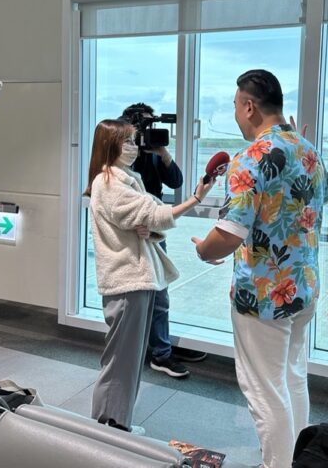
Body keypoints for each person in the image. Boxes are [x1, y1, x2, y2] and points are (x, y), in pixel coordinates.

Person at [193, 69, 327, 468]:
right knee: (292, 378)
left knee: (265, 392)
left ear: (249, 107)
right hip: (303, 288)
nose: (236, 114)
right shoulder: (308, 150)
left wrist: (204, 250)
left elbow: (230, 233)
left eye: (236, 106)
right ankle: (295, 460)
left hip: (264, 297)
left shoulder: (251, 157)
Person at [85, 119, 214, 433]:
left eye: (134, 141)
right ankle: (110, 424)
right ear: (110, 145)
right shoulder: (111, 182)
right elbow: (156, 213)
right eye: (126, 142)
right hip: (128, 280)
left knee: (126, 359)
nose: (133, 147)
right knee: (121, 360)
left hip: (134, 279)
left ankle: (115, 421)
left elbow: (147, 219)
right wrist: (196, 198)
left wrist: (149, 228)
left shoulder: (125, 178)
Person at [121, 103, 207, 379]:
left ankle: (160, 346)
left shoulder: (155, 153)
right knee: (148, 296)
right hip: (136, 232)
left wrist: (162, 152)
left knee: (160, 293)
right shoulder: (123, 157)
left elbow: (176, 180)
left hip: (155, 230)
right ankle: (159, 353)